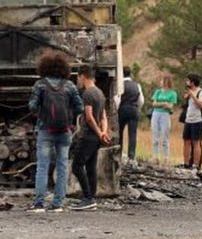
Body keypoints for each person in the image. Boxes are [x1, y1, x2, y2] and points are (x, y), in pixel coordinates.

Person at [28, 51, 83, 213]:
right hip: (65, 131)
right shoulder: (70, 85)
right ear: (64, 68)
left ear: (43, 67)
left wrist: (41, 111)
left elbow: (31, 106)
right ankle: (57, 204)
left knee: (43, 166)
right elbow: (79, 107)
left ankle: (39, 204)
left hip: (45, 130)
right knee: (62, 166)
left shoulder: (40, 85)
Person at [70, 65, 111, 211]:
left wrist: (99, 133)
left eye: (78, 77)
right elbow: (104, 116)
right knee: (90, 167)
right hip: (96, 138)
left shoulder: (87, 94)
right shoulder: (100, 93)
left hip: (88, 135)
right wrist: (103, 133)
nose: (78, 81)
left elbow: (89, 117)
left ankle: (87, 197)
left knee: (76, 166)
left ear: (83, 76)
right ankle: (91, 198)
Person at [117, 66, 144, 165]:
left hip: (122, 109)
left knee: (119, 132)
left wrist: (117, 110)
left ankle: (118, 154)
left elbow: (117, 100)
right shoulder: (137, 85)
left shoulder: (119, 85)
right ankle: (131, 156)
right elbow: (141, 100)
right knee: (132, 133)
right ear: (130, 74)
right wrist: (137, 108)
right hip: (133, 109)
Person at [150, 74, 177, 165]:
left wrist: (160, 103)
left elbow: (170, 106)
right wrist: (164, 103)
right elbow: (154, 104)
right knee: (155, 135)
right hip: (156, 113)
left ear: (166, 82)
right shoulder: (157, 92)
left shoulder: (173, 93)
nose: (160, 82)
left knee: (165, 136)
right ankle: (155, 156)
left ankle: (166, 158)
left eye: (162, 81)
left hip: (165, 115)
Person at [183, 73, 202, 170]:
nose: (187, 82)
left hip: (197, 120)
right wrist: (188, 94)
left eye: (188, 80)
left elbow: (201, 105)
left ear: (193, 82)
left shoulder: (201, 92)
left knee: (196, 142)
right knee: (186, 141)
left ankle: (196, 165)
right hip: (188, 120)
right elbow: (185, 100)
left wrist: (193, 95)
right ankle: (186, 163)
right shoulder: (189, 91)